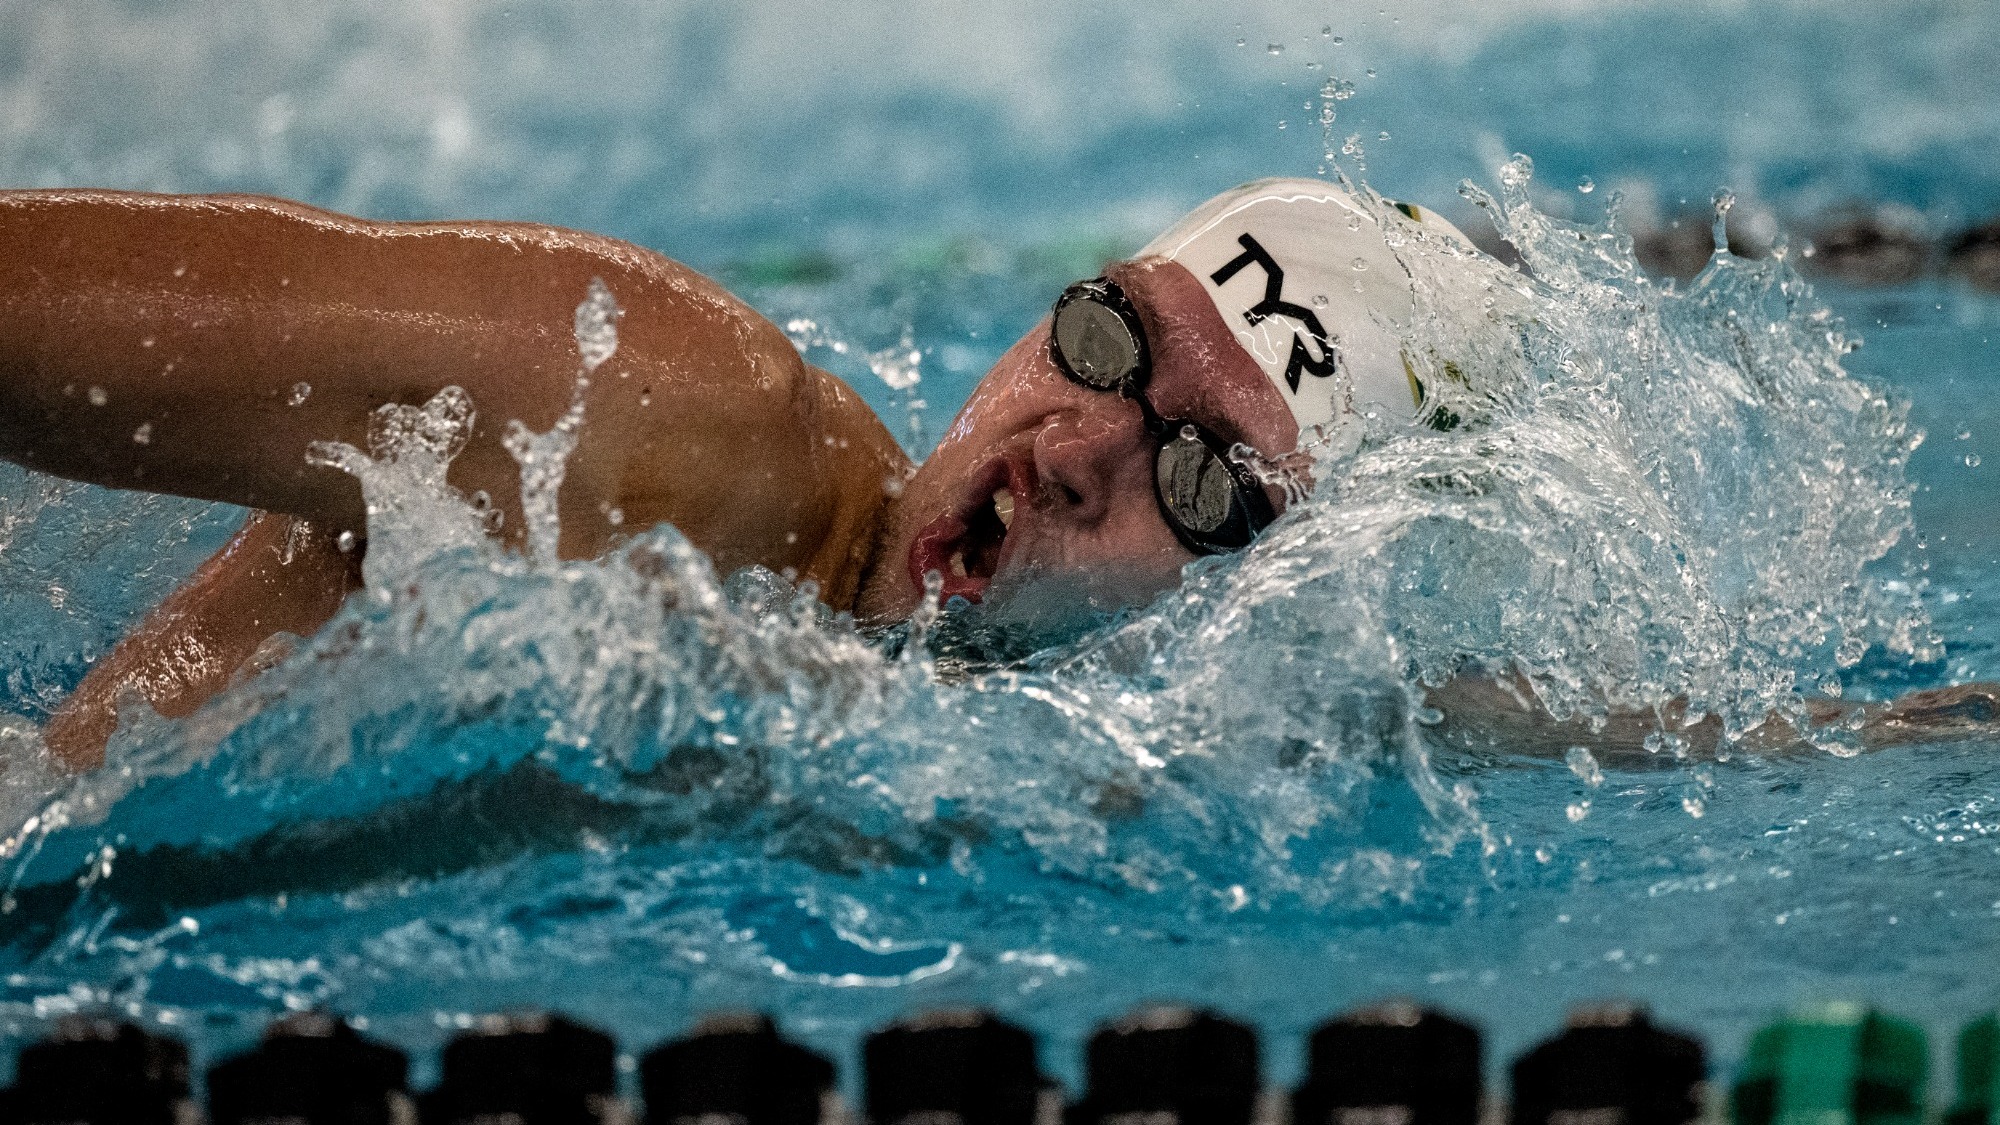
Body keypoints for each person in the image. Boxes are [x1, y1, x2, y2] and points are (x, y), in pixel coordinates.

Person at [2, 179, 1993, 771]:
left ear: (1276, 582)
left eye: (1204, 485)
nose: (1067, 449)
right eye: (1108, 339)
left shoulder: (1124, 720)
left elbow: (1504, 723)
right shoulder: (652, 404)